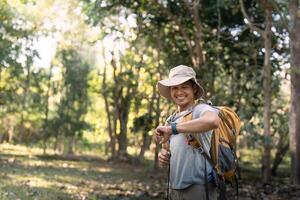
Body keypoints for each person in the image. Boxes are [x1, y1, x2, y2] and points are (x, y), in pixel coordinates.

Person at [155, 65, 220, 200]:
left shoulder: (200, 109)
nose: (179, 92)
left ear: (194, 88)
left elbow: (213, 121)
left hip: (198, 188)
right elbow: (167, 150)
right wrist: (163, 155)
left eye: (184, 87)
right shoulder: (171, 119)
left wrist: (172, 129)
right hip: (175, 188)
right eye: (175, 88)